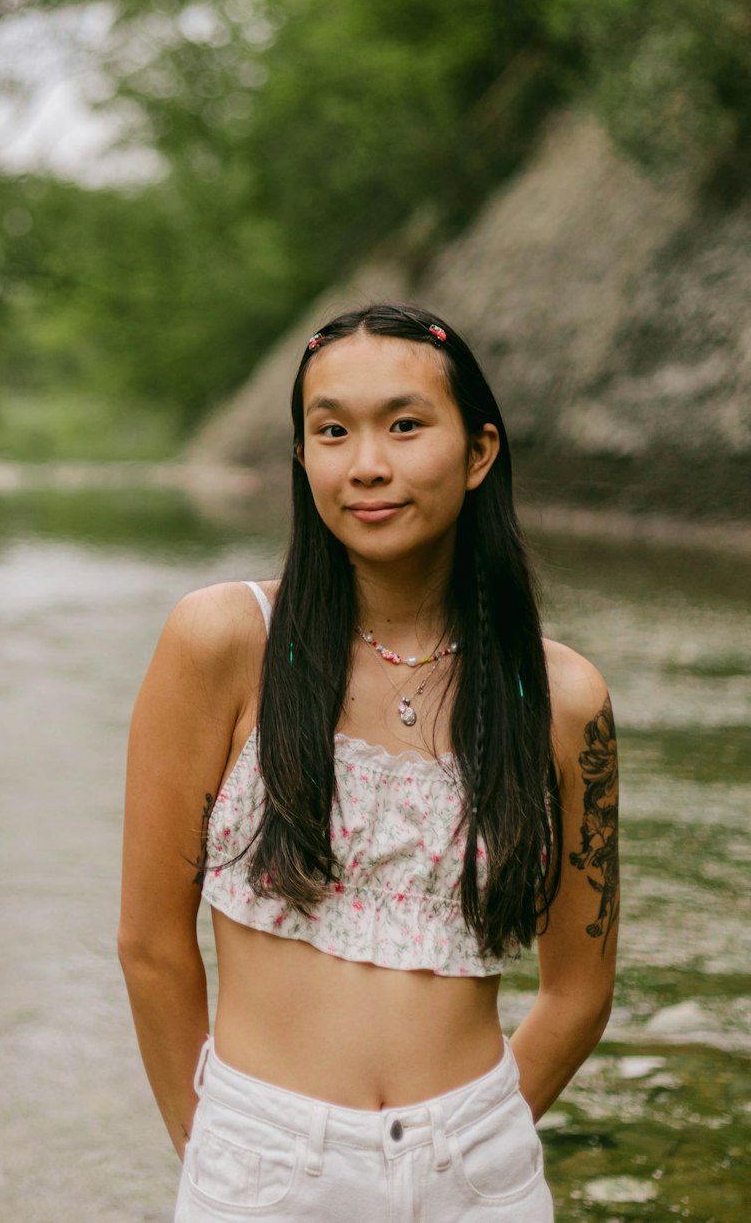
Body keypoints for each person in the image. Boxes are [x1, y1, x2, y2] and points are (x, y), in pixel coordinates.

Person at [119, 301, 619, 1222]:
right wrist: (222, 1152)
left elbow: (580, 990)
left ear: (477, 453)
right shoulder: (226, 642)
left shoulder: (562, 699)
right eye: (332, 430)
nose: (368, 464)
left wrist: (480, 1143)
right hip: (261, 1164)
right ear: (302, 458)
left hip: (481, 1175)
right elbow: (152, 948)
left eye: (404, 424)